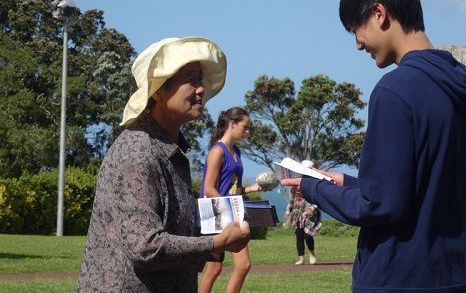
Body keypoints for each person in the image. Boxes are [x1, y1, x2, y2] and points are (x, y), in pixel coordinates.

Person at [281, 0, 466, 292]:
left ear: (379, 13)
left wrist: (313, 188)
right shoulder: (460, 89)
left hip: (398, 277)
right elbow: (418, 191)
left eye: (355, 29)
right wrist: (346, 183)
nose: (359, 45)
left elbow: (381, 205)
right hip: (453, 274)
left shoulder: (396, 90)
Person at [77, 37, 251, 293]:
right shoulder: (138, 151)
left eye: (200, 80)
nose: (201, 89)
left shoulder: (171, 150)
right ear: (158, 91)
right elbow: (146, 246)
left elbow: (176, 223)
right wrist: (218, 242)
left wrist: (227, 223)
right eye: (191, 79)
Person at [199, 106, 264, 293]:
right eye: (245, 126)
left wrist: (252, 189)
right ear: (232, 124)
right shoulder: (217, 151)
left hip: (230, 211)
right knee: (216, 268)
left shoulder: (236, 152)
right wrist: (230, 210)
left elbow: (231, 188)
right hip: (218, 213)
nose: (247, 131)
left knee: (236, 265)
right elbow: (208, 189)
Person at [284, 168, 321, 265]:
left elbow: (317, 202)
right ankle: (301, 259)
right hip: (298, 217)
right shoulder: (295, 187)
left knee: (308, 236)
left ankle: (312, 253)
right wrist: (288, 211)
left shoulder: (311, 187)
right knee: (299, 237)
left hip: (309, 216)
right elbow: (291, 202)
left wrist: (311, 209)